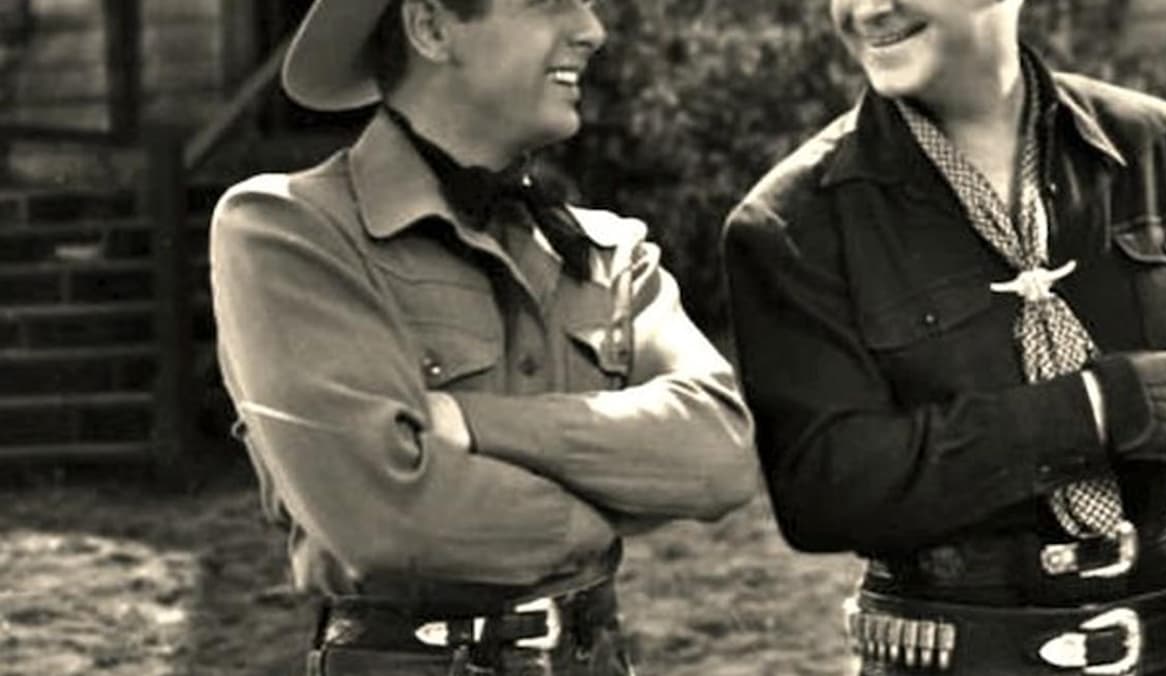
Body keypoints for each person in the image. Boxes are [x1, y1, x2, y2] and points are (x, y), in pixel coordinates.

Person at [718, 0, 1166, 672]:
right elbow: (824, 493)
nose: (867, 9)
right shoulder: (791, 225)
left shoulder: (1152, 142)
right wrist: (1094, 410)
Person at [208, 0, 758, 673]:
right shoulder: (290, 229)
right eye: (550, 3)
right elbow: (385, 520)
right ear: (432, 27)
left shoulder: (608, 252)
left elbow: (721, 456)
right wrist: (607, 512)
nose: (592, 31)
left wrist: (468, 424)